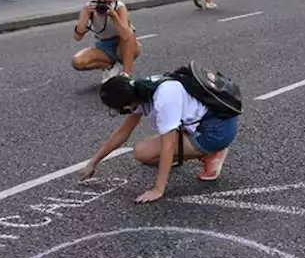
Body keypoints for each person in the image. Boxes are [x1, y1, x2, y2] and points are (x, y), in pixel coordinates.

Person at [79, 71, 240, 203]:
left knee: (160, 150)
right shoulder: (139, 89)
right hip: (201, 123)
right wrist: (94, 162)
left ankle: (212, 153)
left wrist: (158, 189)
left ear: (127, 106)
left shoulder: (164, 98)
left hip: (217, 131)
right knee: (142, 153)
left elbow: (168, 146)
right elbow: (123, 133)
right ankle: (197, 149)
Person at [71, 0, 141, 80]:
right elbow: (77, 37)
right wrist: (85, 15)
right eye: (102, 1)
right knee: (77, 62)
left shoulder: (119, 7)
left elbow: (126, 35)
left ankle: (126, 77)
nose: (105, 5)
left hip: (124, 46)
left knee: (129, 33)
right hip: (103, 46)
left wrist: (114, 16)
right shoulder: (89, 8)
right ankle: (110, 67)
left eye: (109, 2)